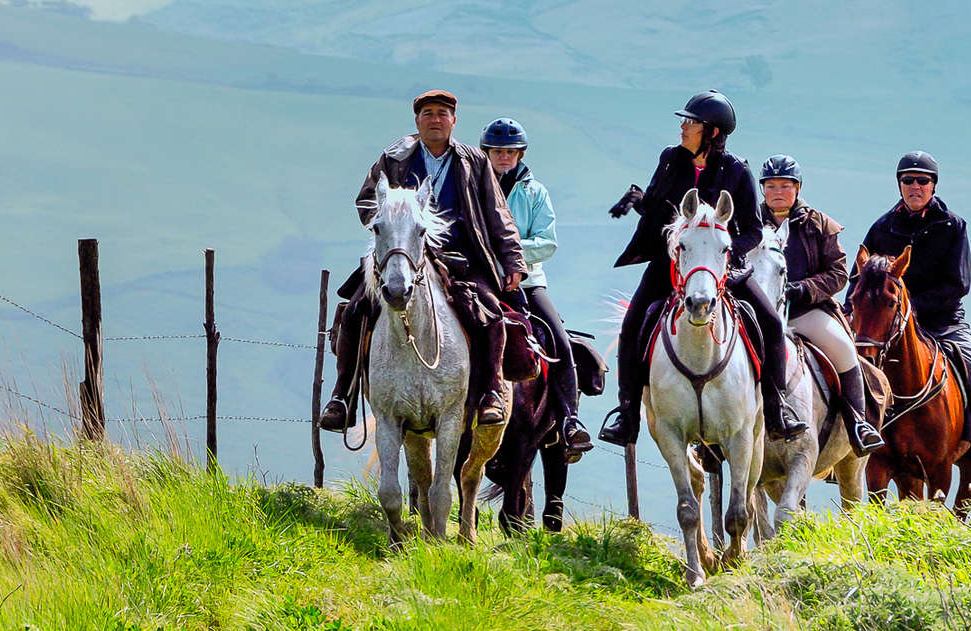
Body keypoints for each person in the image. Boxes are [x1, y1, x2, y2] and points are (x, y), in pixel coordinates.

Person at [597, 90, 806, 448]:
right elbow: (658, 209)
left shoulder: (737, 170)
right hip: (674, 264)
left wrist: (725, 256)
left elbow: (754, 229)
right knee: (633, 323)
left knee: (770, 322)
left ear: (711, 131)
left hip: (723, 267)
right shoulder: (670, 159)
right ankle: (627, 412)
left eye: (690, 122)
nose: (683, 127)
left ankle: (777, 408)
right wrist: (637, 200)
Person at [316, 90, 527, 433]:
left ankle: (489, 393)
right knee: (355, 311)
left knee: (490, 313)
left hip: (462, 256)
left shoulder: (474, 161)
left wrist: (513, 261)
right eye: (428, 113)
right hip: (400, 252)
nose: (435, 119)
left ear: (453, 121)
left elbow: (497, 213)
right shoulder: (395, 156)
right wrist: (393, 219)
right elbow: (365, 201)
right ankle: (343, 397)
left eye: (442, 114)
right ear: (417, 121)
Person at [855, 151, 971, 483]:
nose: (915, 186)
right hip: (890, 328)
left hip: (944, 323)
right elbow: (864, 280)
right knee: (853, 366)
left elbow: (958, 284)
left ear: (933, 186)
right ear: (899, 185)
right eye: (908, 180)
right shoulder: (882, 228)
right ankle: (849, 439)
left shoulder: (952, 225)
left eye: (922, 181)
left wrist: (911, 310)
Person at [480, 117, 593, 460]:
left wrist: (509, 251)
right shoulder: (473, 188)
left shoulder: (535, 192)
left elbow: (547, 242)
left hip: (528, 282)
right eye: (497, 151)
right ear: (486, 153)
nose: (504, 157)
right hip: (483, 280)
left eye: (510, 152)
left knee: (559, 342)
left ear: (521, 154)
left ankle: (570, 420)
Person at [758, 154, 886, 455]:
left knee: (843, 349)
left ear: (798, 187)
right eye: (771, 185)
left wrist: (803, 289)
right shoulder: (746, 224)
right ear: (763, 189)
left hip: (805, 312)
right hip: (760, 314)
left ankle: (858, 424)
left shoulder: (820, 224)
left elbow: (839, 272)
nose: (778, 192)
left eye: (785, 185)